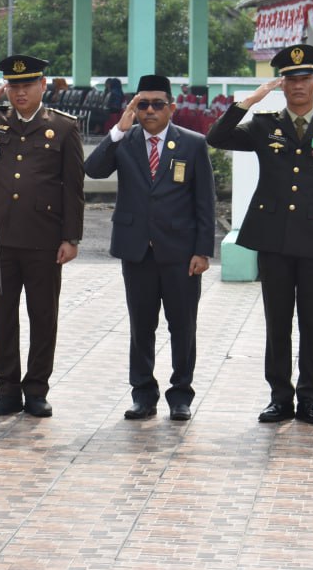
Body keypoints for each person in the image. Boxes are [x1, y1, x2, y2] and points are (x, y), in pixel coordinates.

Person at [206, 44, 313, 426]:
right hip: (274, 240)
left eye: (304, 78)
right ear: (282, 84)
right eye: (290, 79)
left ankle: (309, 398)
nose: (297, 85)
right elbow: (217, 137)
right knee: (278, 322)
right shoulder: (264, 125)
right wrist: (250, 101)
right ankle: (279, 397)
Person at [0, 55, 85, 418]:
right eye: (13, 86)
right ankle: (7, 387)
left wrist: (70, 237)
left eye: (27, 85)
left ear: (42, 85)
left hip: (44, 238)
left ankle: (37, 388)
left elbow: (73, 187)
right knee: (1, 316)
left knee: (43, 316)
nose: (19, 92)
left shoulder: (62, 127)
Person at [83, 75, 215, 421]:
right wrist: (117, 131)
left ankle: (181, 394)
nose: (151, 110)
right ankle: (143, 394)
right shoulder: (124, 142)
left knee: (182, 326)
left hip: (180, 252)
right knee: (141, 326)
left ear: (171, 107)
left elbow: (205, 202)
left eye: (158, 104)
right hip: (137, 249)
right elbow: (93, 170)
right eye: (143, 104)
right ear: (133, 108)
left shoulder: (193, 143)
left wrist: (202, 251)